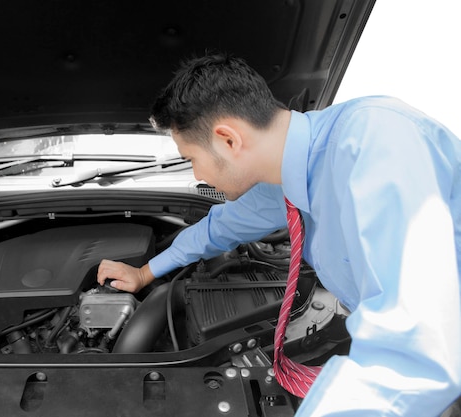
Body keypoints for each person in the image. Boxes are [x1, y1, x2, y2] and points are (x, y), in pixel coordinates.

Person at [97, 53, 461, 415]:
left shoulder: (375, 145)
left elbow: (414, 348)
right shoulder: (282, 180)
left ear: (228, 140)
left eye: (191, 157)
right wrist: (145, 273)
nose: (197, 174)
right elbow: (219, 227)